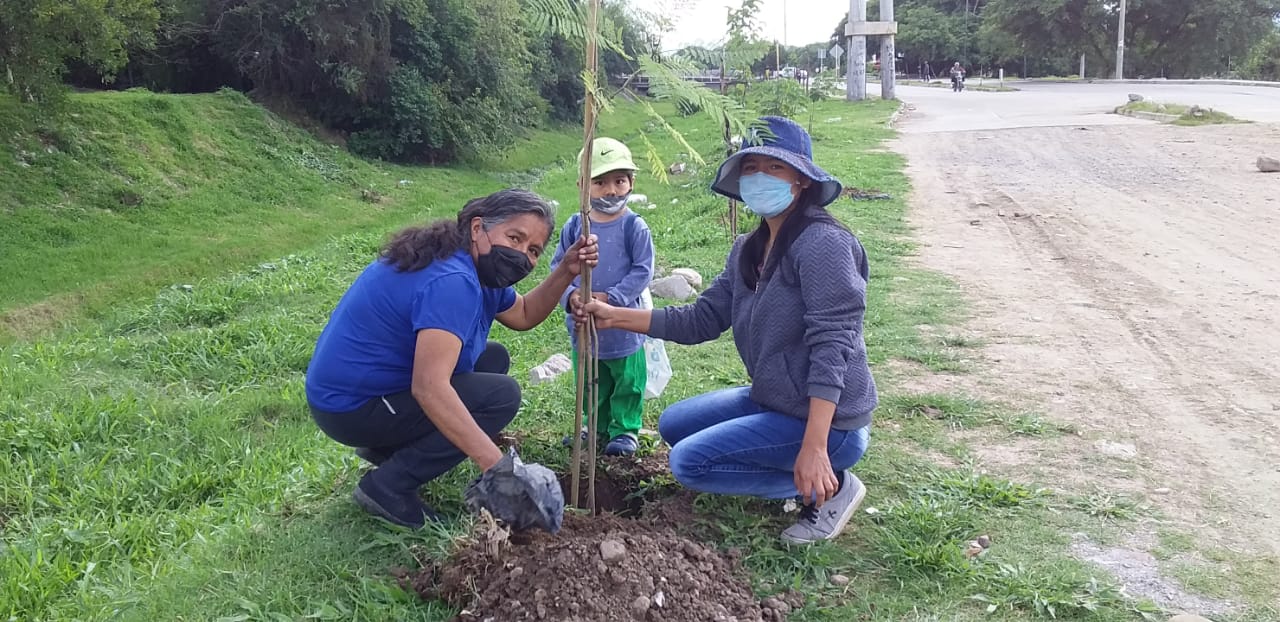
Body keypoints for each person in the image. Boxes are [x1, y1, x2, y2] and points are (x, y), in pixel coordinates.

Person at [577, 116, 877, 544]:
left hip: (831, 422)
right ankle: (792, 461)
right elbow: (702, 319)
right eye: (751, 167)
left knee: (689, 463)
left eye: (775, 168)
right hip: (777, 399)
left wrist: (814, 447)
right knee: (674, 424)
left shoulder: (823, 244)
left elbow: (834, 345)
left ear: (803, 180)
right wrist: (612, 315)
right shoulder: (748, 249)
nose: (759, 177)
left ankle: (829, 486)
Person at [306, 189, 598, 529]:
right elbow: (429, 387)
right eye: (514, 237)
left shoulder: (475, 264)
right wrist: (500, 471)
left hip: (366, 391)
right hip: (350, 407)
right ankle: (388, 486)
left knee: (493, 359)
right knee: (500, 397)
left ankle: (390, 451)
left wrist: (566, 269)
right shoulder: (452, 280)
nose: (520, 255)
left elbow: (523, 313)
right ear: (478, 228)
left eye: (532, 250)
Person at [550, 138, 655, 457]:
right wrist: (570, 298)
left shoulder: (634, 227)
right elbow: (558, 267)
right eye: (600, 182)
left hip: (622, 327)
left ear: (631, 183)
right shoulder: (575, 226)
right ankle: (594, 427)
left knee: (626, 380)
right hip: (584, 325)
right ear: (583, 186)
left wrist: (612, 298)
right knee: (591, 380)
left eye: (619, 180)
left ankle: (624, 430)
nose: (611, 190)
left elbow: (643, 271)